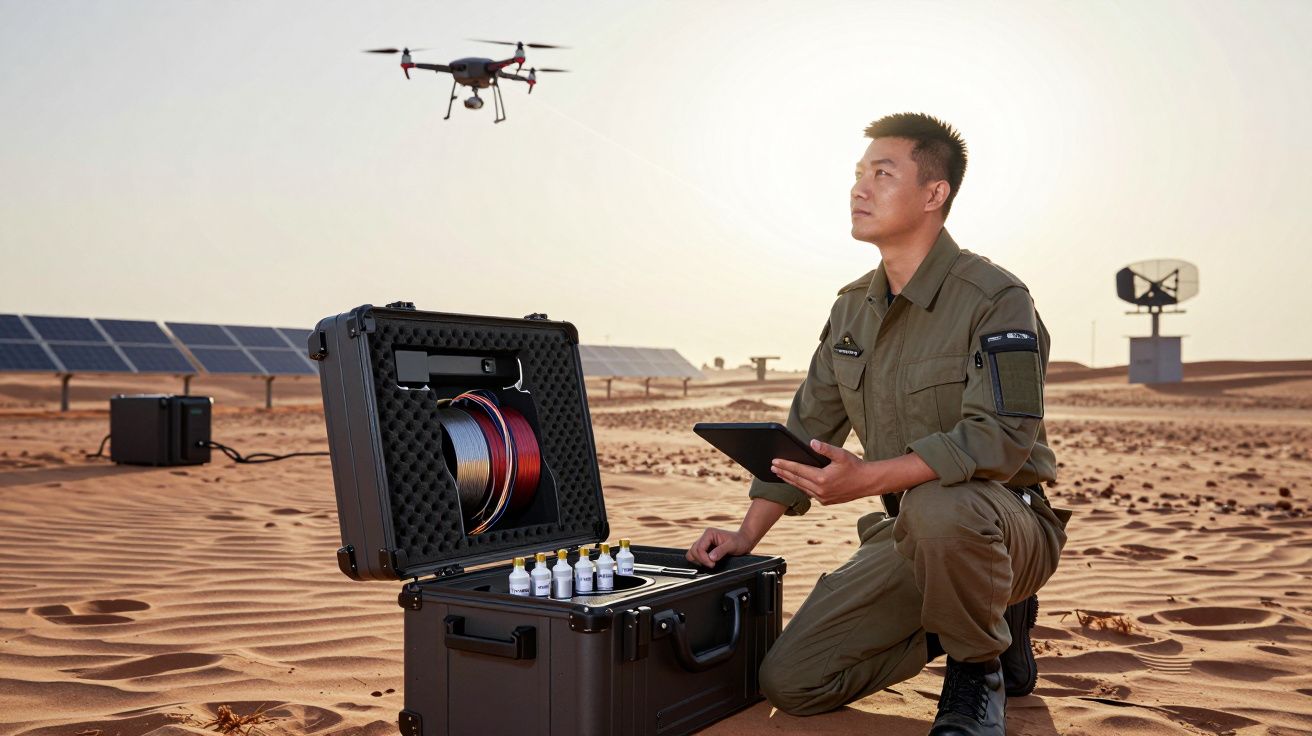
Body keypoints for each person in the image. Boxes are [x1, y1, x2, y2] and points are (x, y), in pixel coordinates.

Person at [686, 113, 1069, 736]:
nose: (859, 189)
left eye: (882, 174)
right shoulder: (849, 310)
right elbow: (807, 429)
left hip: (1004, 522)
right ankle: (979, 617)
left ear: (933, 193)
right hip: (911, 535)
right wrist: (744, 533)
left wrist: (866, 480)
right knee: (794, 682)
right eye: (859, 174)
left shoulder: (996, 297)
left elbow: (1000, 437)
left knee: (942, 507)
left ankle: (979, 671)